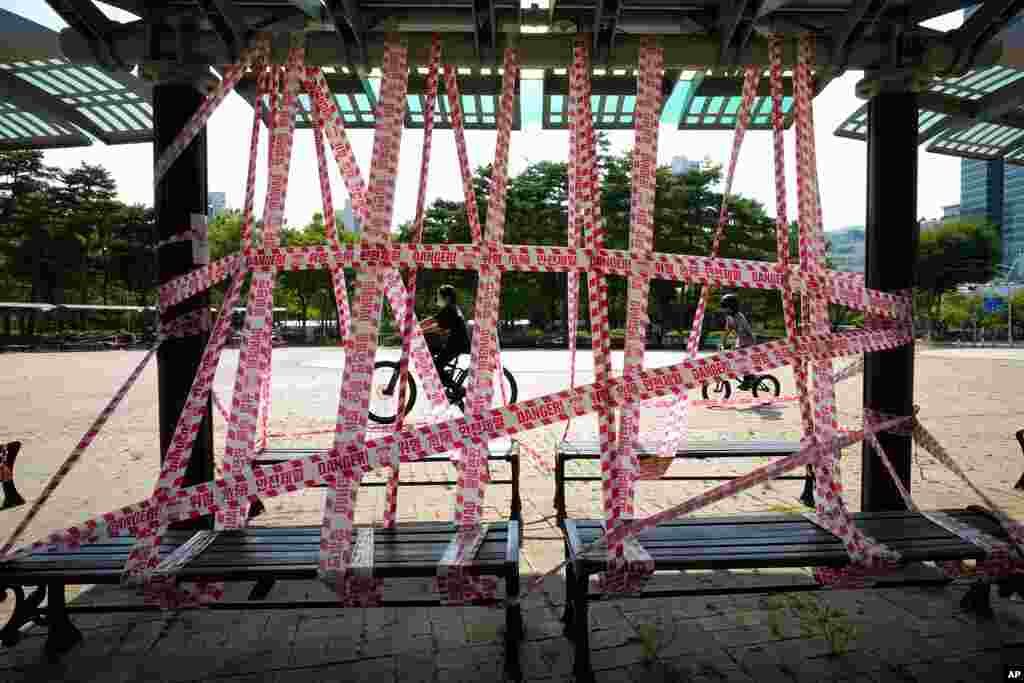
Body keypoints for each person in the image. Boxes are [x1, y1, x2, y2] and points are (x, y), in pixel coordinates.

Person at [420, 284, 472, 388]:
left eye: (439, 296)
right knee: (432, 352)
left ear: (447, 298)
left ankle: (453, 386)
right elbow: (433, 320)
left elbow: (440, 328)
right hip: (454, 343)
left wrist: (420, 331)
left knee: (435, 365)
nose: (437, 298)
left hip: (457, 345)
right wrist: (418, 325)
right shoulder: (451, 307)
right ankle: (444, 378)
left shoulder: (450, 309)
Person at [720, 293, 758, 390]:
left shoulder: (739, 316)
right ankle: (748, 377)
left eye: (726, 307)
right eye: (723, 307)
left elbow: (742, 330)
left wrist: (735, 346)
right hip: (740, 341)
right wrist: (723, 342)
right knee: (736, 360)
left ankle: (749, 379)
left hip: (748, 341)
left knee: (741, 359)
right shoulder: (729, 317)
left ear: (733, 307)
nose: (724, 309)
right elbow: (727, 330)